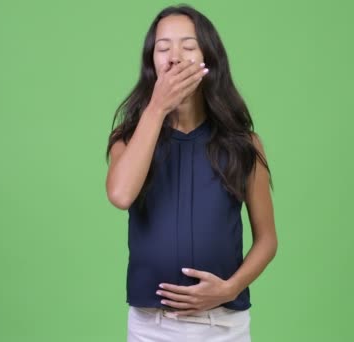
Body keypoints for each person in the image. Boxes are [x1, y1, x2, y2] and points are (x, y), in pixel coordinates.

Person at [105, 4, 277, 342]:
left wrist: (229, 288)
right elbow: (121, 195)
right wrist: (158, 107)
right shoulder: (127, 140)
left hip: (223, 327)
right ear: (151, 62)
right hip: (150, 328)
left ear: (208, 58)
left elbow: (267, 240)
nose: (175, 56)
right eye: (163, 47)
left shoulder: (244, 144)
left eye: (188, 45)